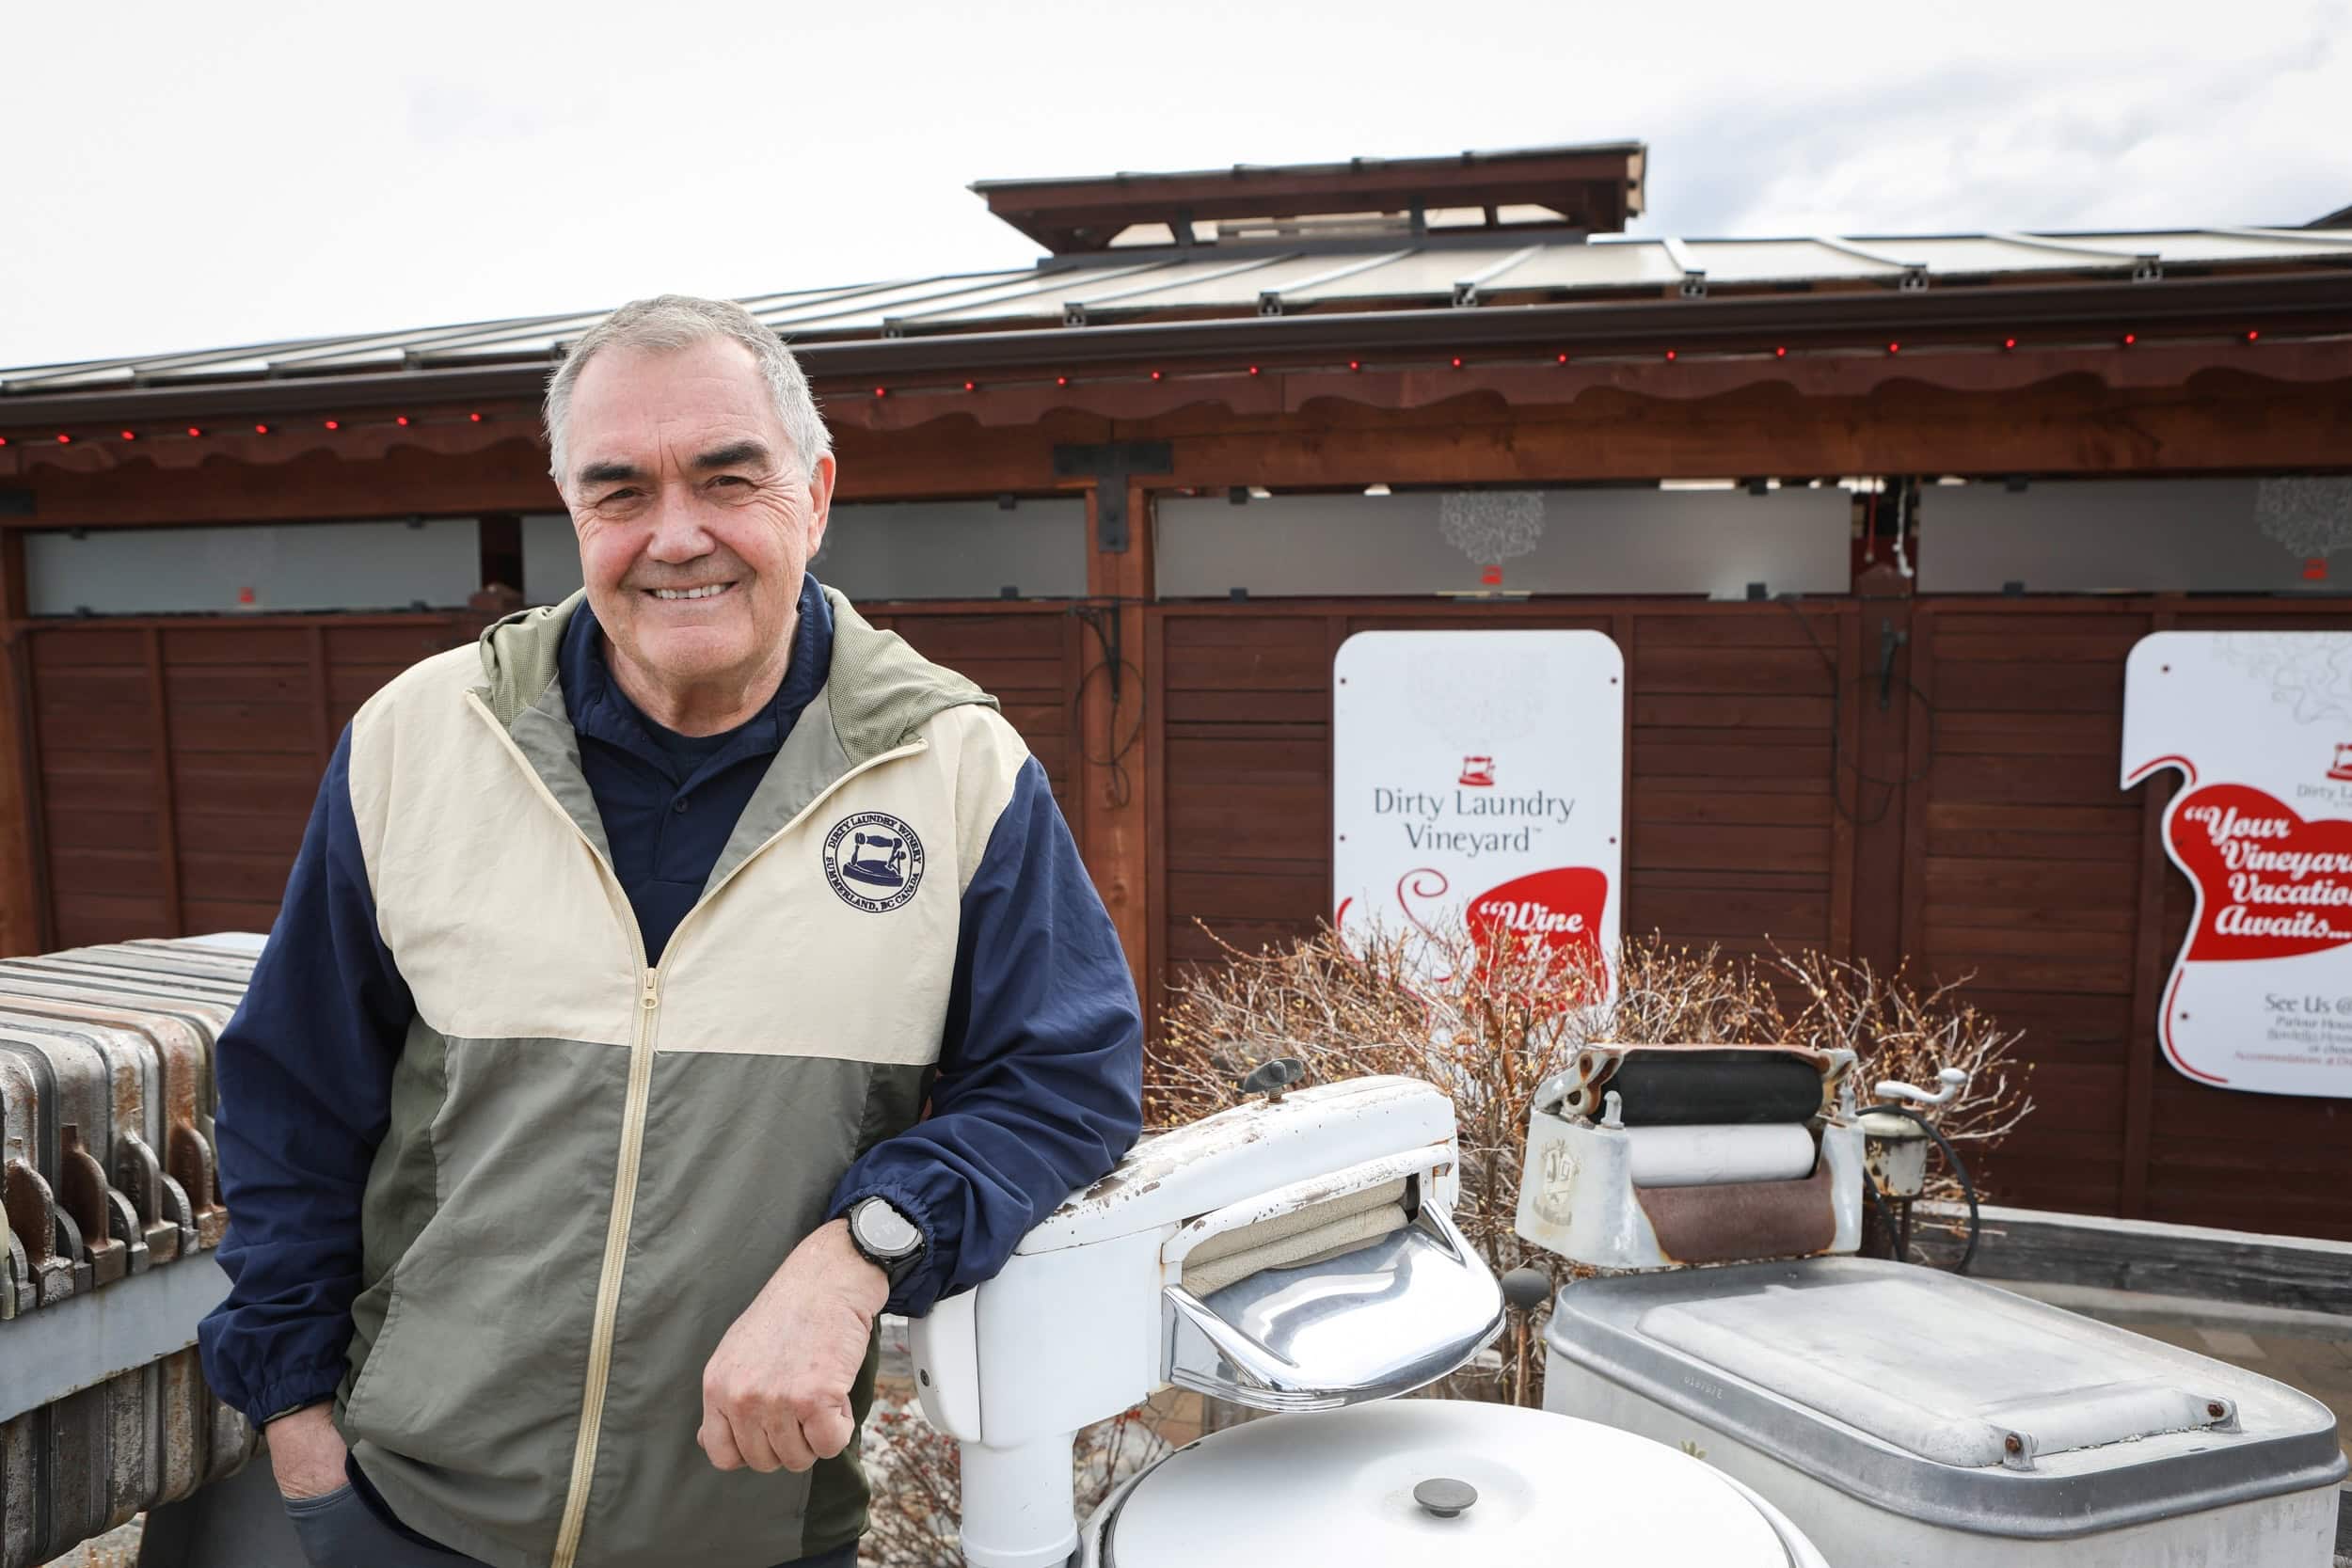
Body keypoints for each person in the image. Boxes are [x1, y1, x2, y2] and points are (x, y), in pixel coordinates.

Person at [197, 295, 1146, 1568]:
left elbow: (1065, 1081)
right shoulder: (418, 744)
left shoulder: (955, 769)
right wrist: (303, 1437)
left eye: (725, 478)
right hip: (407, 1520)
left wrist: (861, 1250)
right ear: (572, 510)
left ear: (814, 493)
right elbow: (290, 1103)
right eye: (621, 491)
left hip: (754, 1530)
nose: (675, 535)